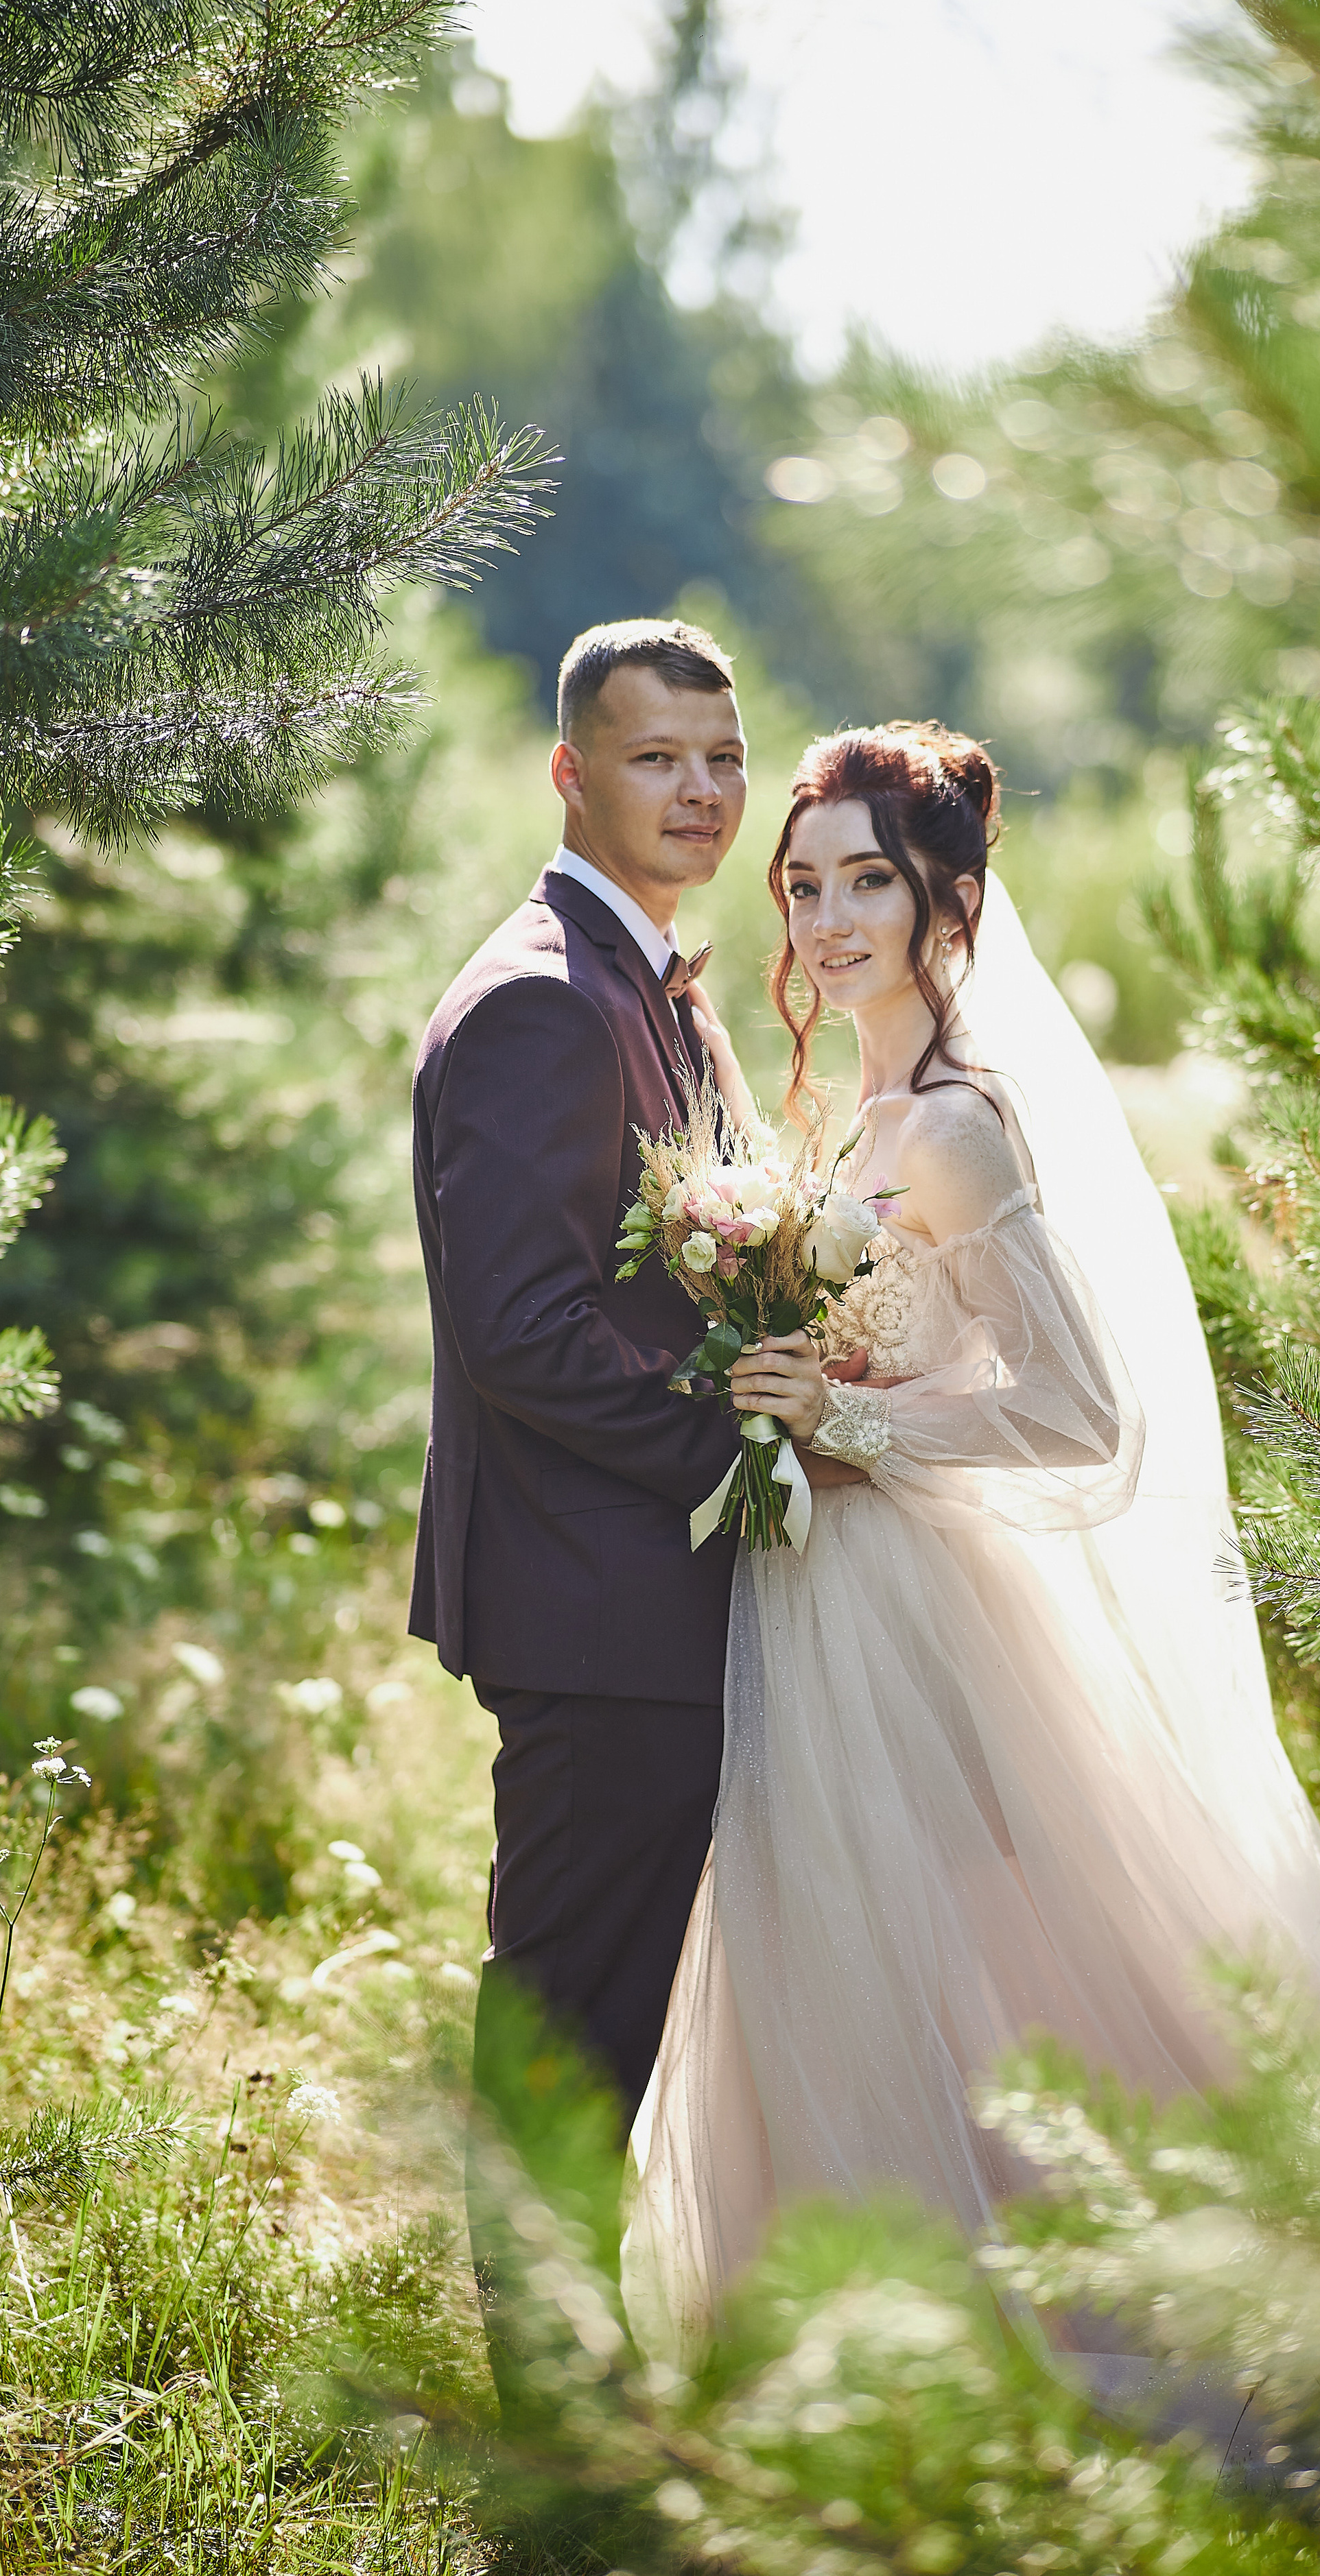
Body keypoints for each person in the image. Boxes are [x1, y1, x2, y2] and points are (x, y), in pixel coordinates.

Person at [623, 721, 1320, 2379]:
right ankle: (862, 2347)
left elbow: (1083, 1416)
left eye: (864, 882)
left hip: (925, 1599)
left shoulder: (958, 1123)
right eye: (802, 883)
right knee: (852, 1960)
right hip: (821, 1602)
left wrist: (848, 1425)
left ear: (944, 896)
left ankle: (1158, 2329)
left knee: (1021, 1969)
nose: (823, 919)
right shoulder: (860, 1108)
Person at [408, 617, 857, 2196]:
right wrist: (750, 1441)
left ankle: (587, 2384)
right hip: (599, 1604)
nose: (698, 792)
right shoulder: (544, 1001)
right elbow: (519, 1332)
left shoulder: (651, 985)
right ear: (567, 773)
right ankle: (545, 2414)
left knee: (626, 2022)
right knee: (567, 2027)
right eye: (653, 758)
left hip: (651, 1600)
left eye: (721, 759)